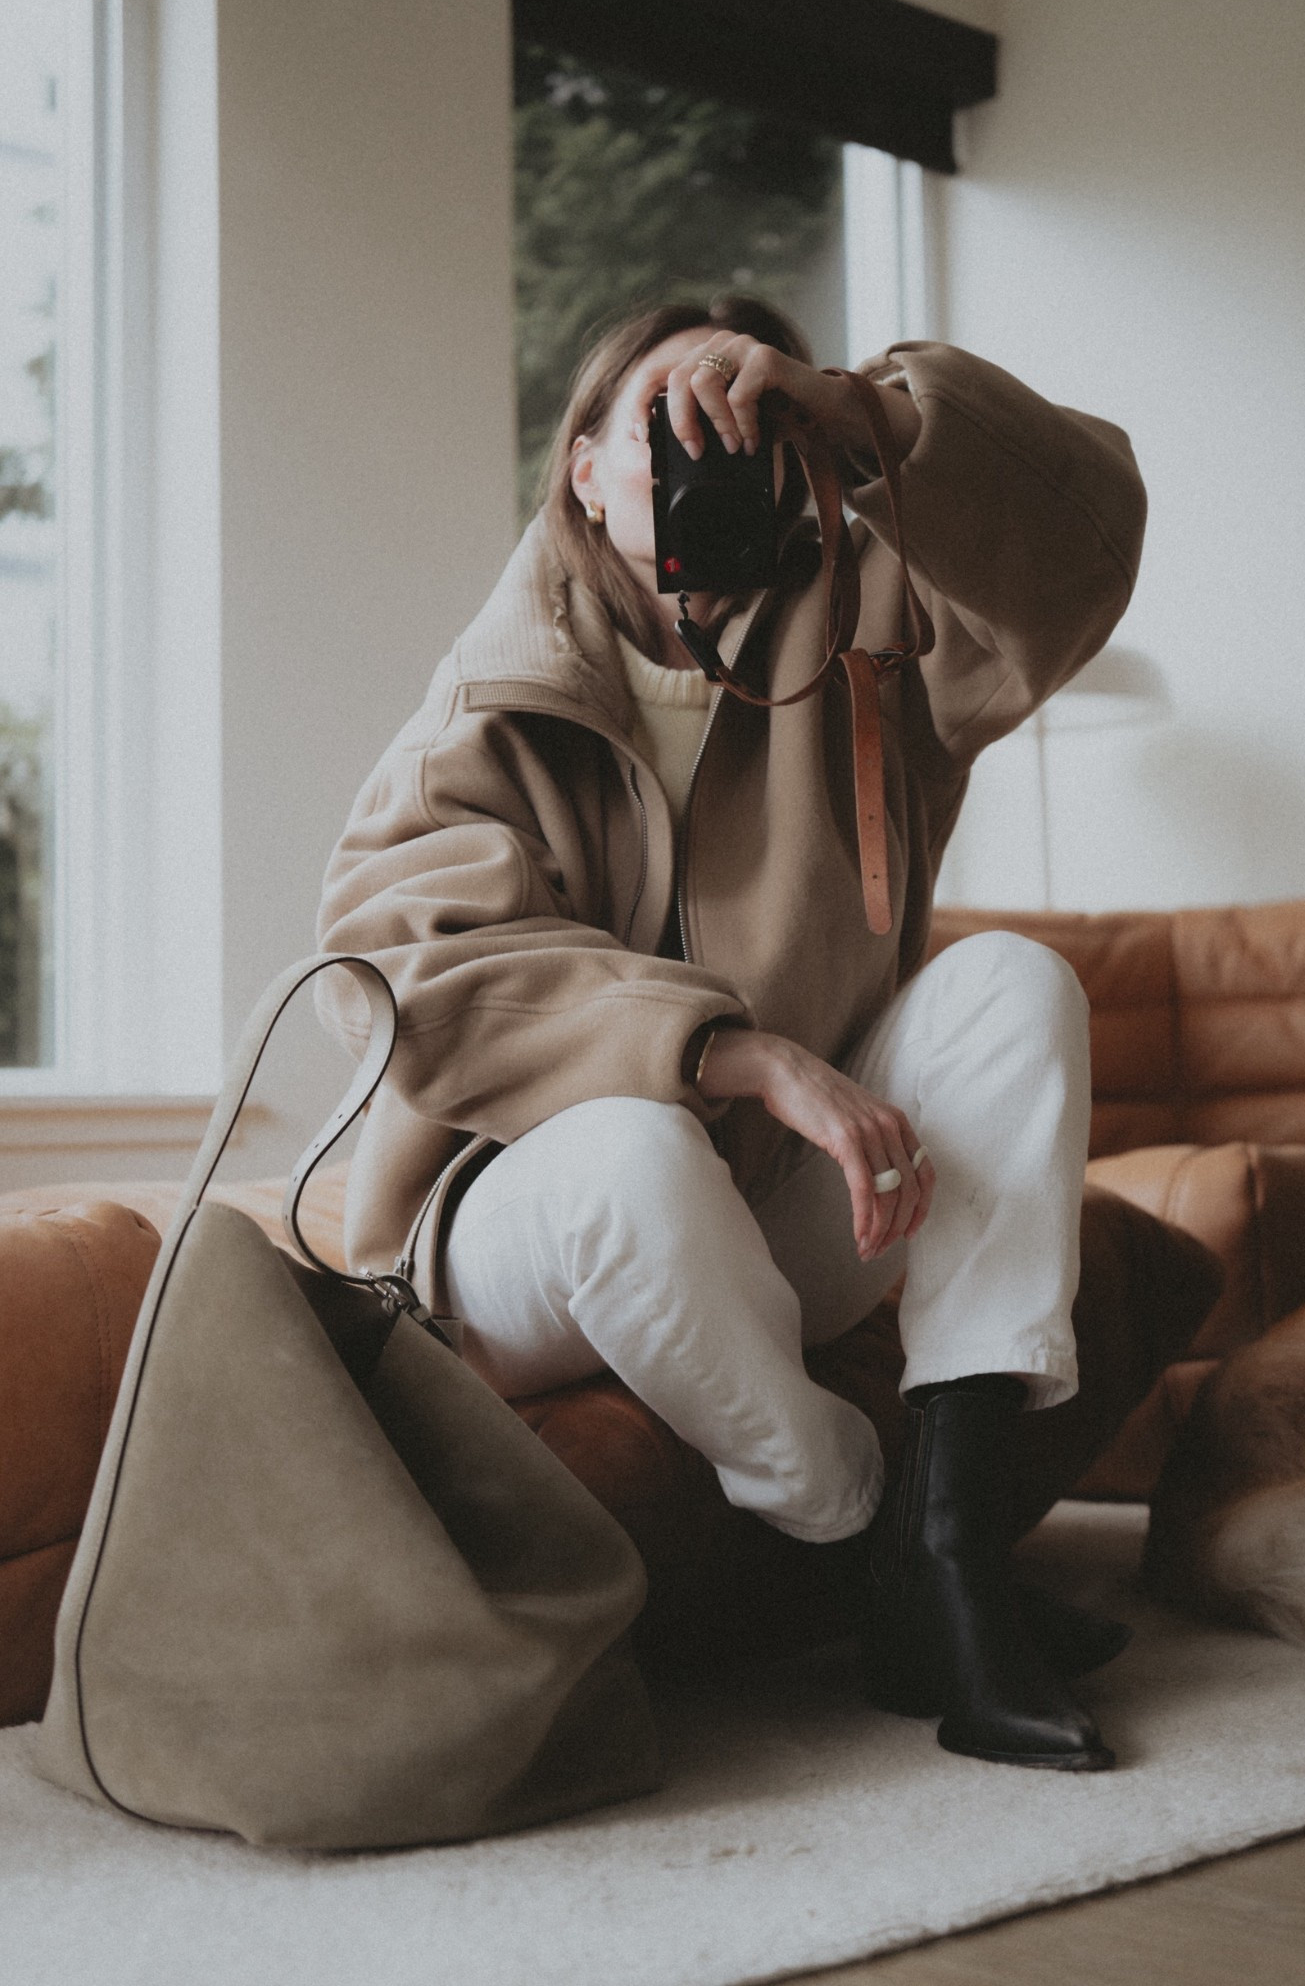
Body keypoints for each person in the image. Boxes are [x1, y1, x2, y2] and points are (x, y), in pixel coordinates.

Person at [316, 293, 1147, 1772]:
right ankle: (858, 1521)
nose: (712, 455)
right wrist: (730, 1049)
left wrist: (875, 417)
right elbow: (399, 968)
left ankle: (950, 1562)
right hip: (529, 1227)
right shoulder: (488, 697)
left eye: (750, 428)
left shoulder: (875, 623)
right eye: (666, 429)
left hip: (779, 1200)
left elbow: (1088, 545)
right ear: (582, 470)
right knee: (638, 1148)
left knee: (1015, 983)